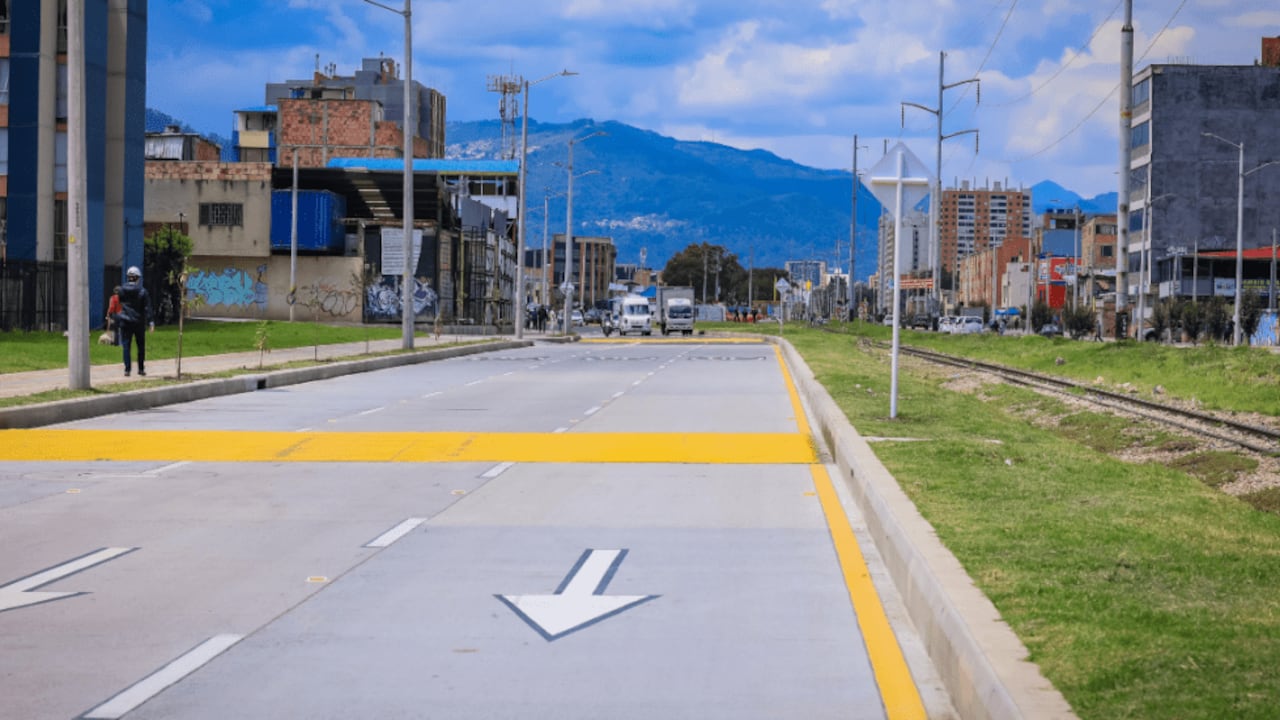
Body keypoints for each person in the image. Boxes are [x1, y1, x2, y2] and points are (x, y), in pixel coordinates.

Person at [116, 266, 153, 377]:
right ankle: (141, 369)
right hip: (138, 322)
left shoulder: (121, 290)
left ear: (128, 277)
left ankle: (127, 370)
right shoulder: (142, 291)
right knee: (140, 346)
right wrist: (150, 321)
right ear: (137, 278)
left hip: (125, 321)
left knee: (126, 345)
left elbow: (121, 302)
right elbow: (147, 307)